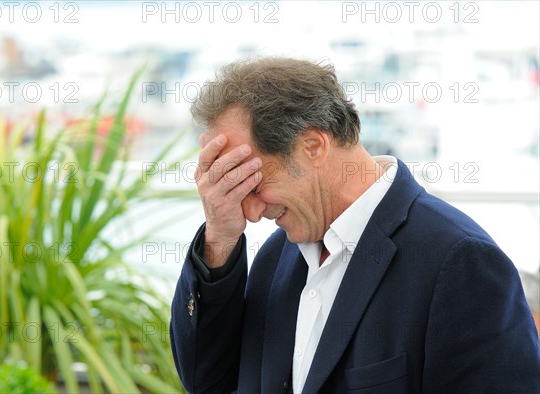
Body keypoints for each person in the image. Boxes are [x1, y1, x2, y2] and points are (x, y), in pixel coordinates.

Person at [170, 57, 540, 393]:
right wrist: (220, 235)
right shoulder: (275, 259)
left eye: (252, 180)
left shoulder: (460, 263)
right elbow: (206, 381)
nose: (249, 211)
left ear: (313, 145)